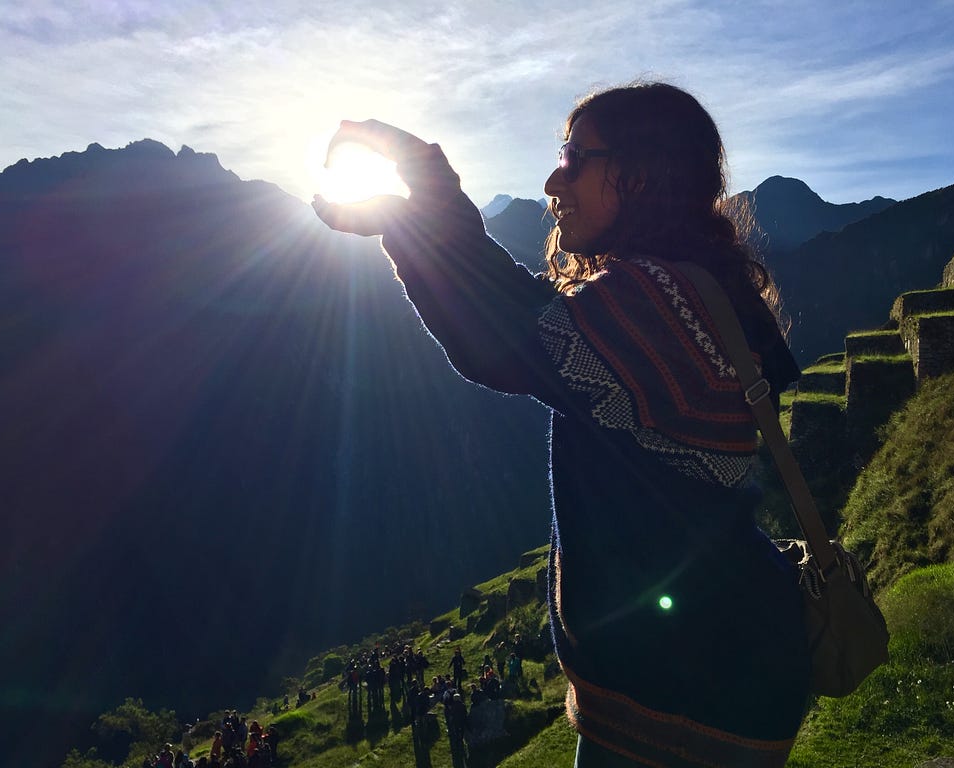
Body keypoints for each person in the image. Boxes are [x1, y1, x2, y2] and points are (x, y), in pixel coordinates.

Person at [313, 81, 810, 767]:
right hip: (722, 666)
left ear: (641, 173)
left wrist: (423, 188)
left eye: (577, 158)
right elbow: (538, 325)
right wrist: (411, 217)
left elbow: (505, 335)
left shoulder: (650, 306)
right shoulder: (695, 294)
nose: (554, 180)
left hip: (682, 695)